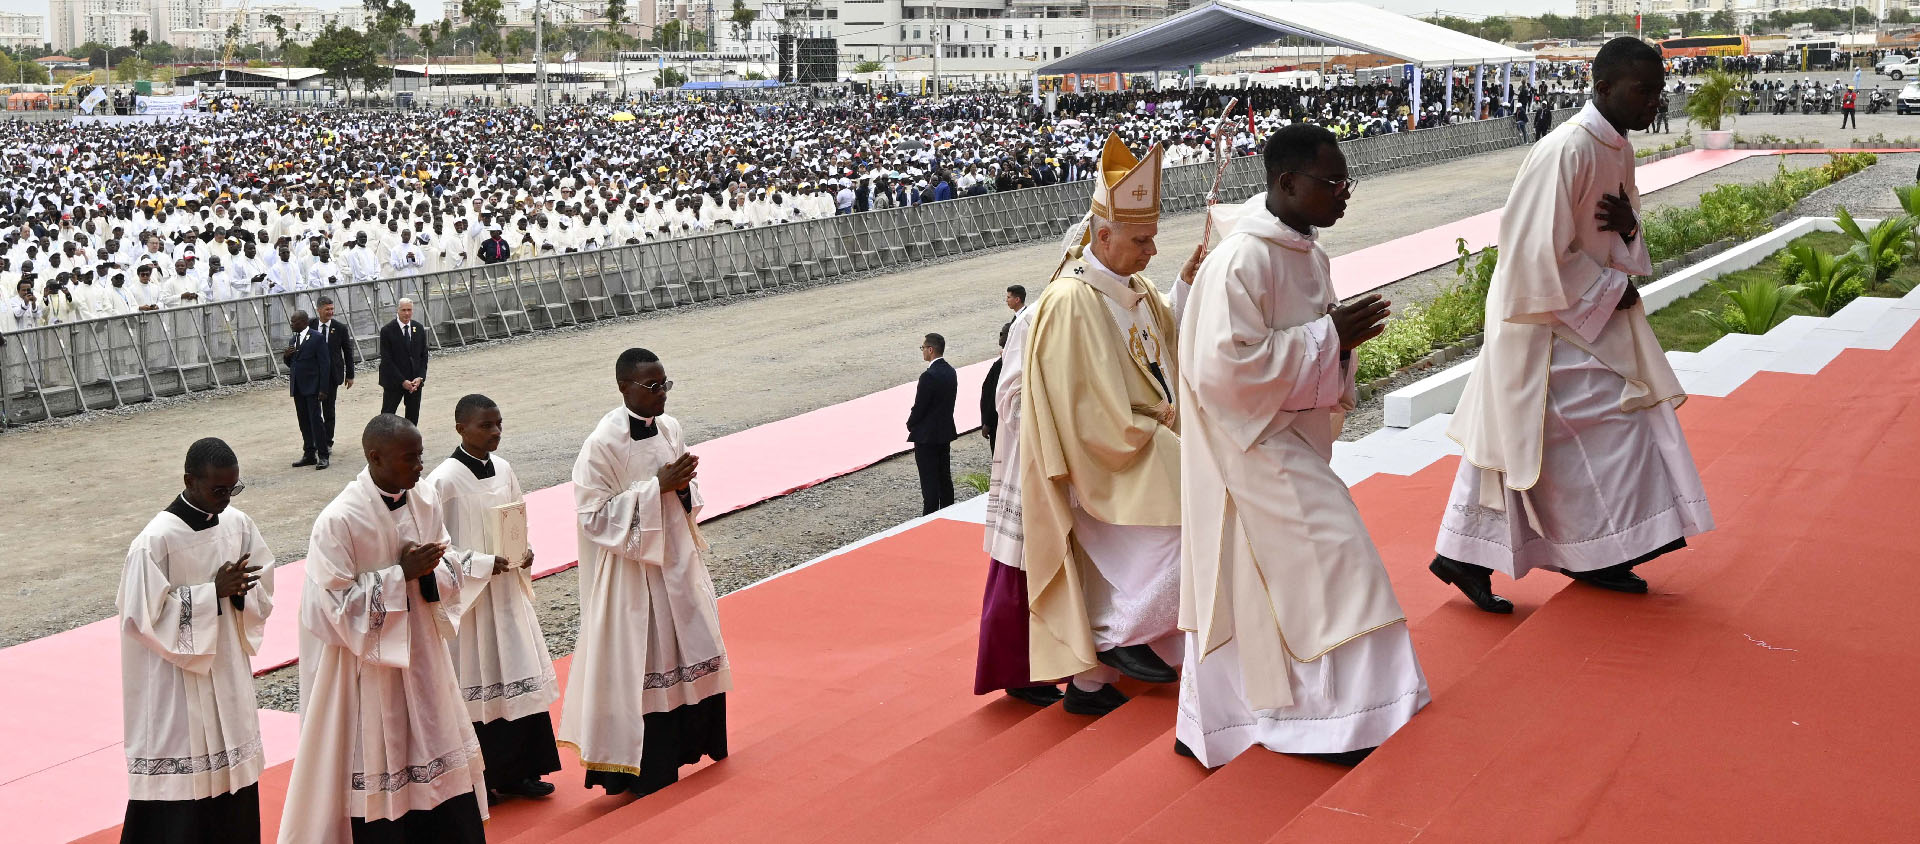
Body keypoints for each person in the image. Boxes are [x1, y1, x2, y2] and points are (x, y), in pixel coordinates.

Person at [1174, 123, 1429, 769]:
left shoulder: (1305, 251)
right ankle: (1337, 720)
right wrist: (1327, 340)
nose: (1345, 195)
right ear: (1287, 183)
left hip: (1280, 433)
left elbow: (1309, 345)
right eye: (1333, 182)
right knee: (1337, 557)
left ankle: (1286, 714)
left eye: (1348, 182)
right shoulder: (1242, 259)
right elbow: (1220, 373)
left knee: (1278, 577)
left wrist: (1336, 344)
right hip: (1248, 445)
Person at [1431, 37, 1715, 614]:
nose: (1654, 102)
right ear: (1603, 87)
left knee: (1573, 438)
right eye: (1644, 91)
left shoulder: (1617, 148)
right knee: (1553, 437)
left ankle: (1580, 551)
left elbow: (1611, 235)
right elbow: (1535, 253)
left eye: (1659, 91)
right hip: (1543, 324)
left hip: (1582, 318)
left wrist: (1632, 230)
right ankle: (1486, 552)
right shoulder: (1567, 150)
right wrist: (1613, 287)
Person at [1018, 133, 1191, 717]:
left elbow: (1161, 345)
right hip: (1103, 455)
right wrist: (1153, 426)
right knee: (1191, 518)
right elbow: (1084, 411)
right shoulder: (1071, 301)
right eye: (1142, 241)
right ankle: (1118, 637)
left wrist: (1187, 286)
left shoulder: (1135, 287)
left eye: (1152, 239)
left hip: (1139, 440)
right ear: (1103, 237)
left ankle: (1097, 678)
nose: (1152, 253)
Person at [277, 414, 498, 844]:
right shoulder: (339, 520)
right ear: (375, 457)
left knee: (436, 744)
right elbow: (328, 608)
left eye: (420, 456)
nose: (420, 466)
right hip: (369, 669)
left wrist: (433, 570)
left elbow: (449, 558)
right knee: (380, 754)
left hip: (424, 656)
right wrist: (400, 574)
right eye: (409, 458)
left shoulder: (425, 498)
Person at [559, 348, 731, 797]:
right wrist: (657, 487)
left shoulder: (671, 428)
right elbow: (592, 516)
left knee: (694, 645)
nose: (661, 396)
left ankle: (695, 743)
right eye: (651, 387)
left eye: (665, 385)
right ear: (624, 387)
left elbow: (688, 488)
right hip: (633, 576)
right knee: (646, 662)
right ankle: (647, 768)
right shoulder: (601, 445)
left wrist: (682, 487)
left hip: (677, 559)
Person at [117, 437, 275, 843]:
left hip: (225, 668)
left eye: (232, 489)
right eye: (217, 490)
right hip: (176, 686)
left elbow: (262, 583)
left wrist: (240, 592)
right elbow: (139, 619)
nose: (225, 499)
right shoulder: (154, 542)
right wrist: (211, 594)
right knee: (183, 801)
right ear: (189, 480)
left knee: (233, 787)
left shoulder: (238, 524)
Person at [423, 394, 562, 802]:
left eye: (499, 423)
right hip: (471, 603)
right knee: (479, 679)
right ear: (460, 428)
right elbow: (435, 548)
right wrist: (482, 563)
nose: (495, 432)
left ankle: (522, 769)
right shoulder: (442, 481)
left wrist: (525, 550)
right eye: (485, 425)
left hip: (506, 594)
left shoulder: (504, 468)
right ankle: (485, 776)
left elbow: (516, 517)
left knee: (517, 672)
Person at [907, 332, 958, 515]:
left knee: (929, 482)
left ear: (930, 349)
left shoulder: (928, 376)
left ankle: (929, 516)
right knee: (944, 477)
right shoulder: (951, 371)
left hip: (926, 436)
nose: (922, 352)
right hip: (944, 433)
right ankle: (948, 512)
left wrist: (910, 423)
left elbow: (920, 407)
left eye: (923, 348)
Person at [283, 310, 332, 470]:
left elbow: (325, 364)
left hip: (313, 387)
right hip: (298, 387)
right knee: (303, 421)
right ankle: (309, 453)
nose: (291, 324)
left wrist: (323, 388)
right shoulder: (293, 339)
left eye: (294, 321)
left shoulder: (317, 338)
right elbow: (294, 365)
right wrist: (287, 356)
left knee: (316, 421)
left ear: (303, 322)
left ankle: (323, 455)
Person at [312, 296, 357, 464]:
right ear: (319, 310)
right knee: (314, 411)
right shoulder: (310, 326)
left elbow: (348, 351)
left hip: (332, 376)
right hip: (313, 376)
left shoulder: (339, 328)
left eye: (332, 309)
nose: (330, 312)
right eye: (327, 309)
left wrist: (350, 374)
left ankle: (328, 441)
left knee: (329, 409)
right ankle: (315, 441)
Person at [378, 298, 429, 424]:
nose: (407, 313)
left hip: (414, 382)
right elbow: (387, 360)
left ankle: (410, 442)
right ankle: (384, 442)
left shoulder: (418, 328)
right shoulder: (387, 331)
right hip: (394, 382)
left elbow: (424, 356)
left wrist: (420, 377)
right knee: (387, 416)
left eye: (409, 310)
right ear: (398, 310)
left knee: (413, 416)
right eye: (404, 310)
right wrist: (402, 381)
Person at [980, 322, 1010, 454]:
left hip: (999, 422)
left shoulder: (1002, 364)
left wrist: (987, 422)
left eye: (1002, 334)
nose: (1000, 336)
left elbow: (995, 395)